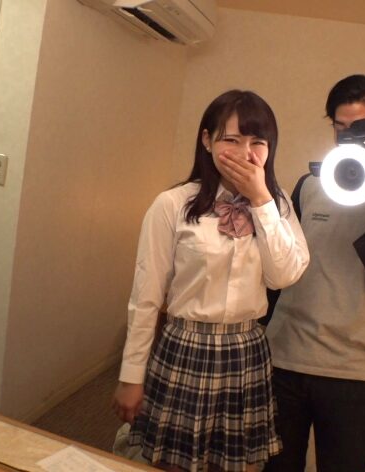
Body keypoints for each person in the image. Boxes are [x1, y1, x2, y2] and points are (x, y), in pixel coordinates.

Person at [112, 89, 310, 472]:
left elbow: (284, 276)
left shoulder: (278, 204)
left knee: (231, 463)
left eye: (257, 142)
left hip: (245, 351)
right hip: (185, 346)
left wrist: (261, 201)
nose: (245, 153)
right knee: (171, 461)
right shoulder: (172, 204)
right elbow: (146, 297)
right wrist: (131, 375)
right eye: (231, 140)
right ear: (207, 140)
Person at [264, 74, 365, 472]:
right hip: (285, 360)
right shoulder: (309, 186)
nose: (349, 139)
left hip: (357, 373)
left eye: (361, 129)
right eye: (341, 128)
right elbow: (281, 271)